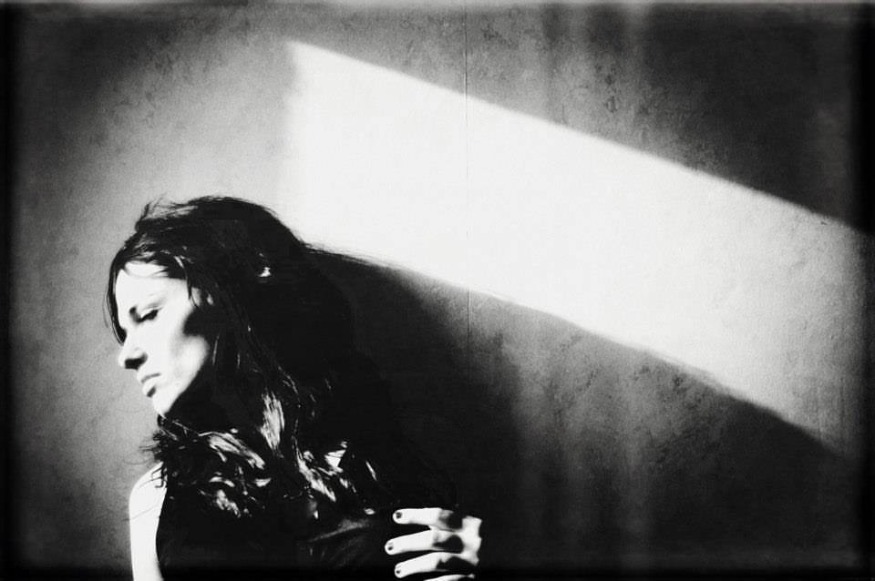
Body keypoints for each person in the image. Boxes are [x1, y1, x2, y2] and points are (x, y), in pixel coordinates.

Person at [108, 196, 482, 580]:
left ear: (230, 292)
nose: (126, 355)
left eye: (148, 315)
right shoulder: (156, 499)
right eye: (124, 332)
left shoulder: (398, 453)